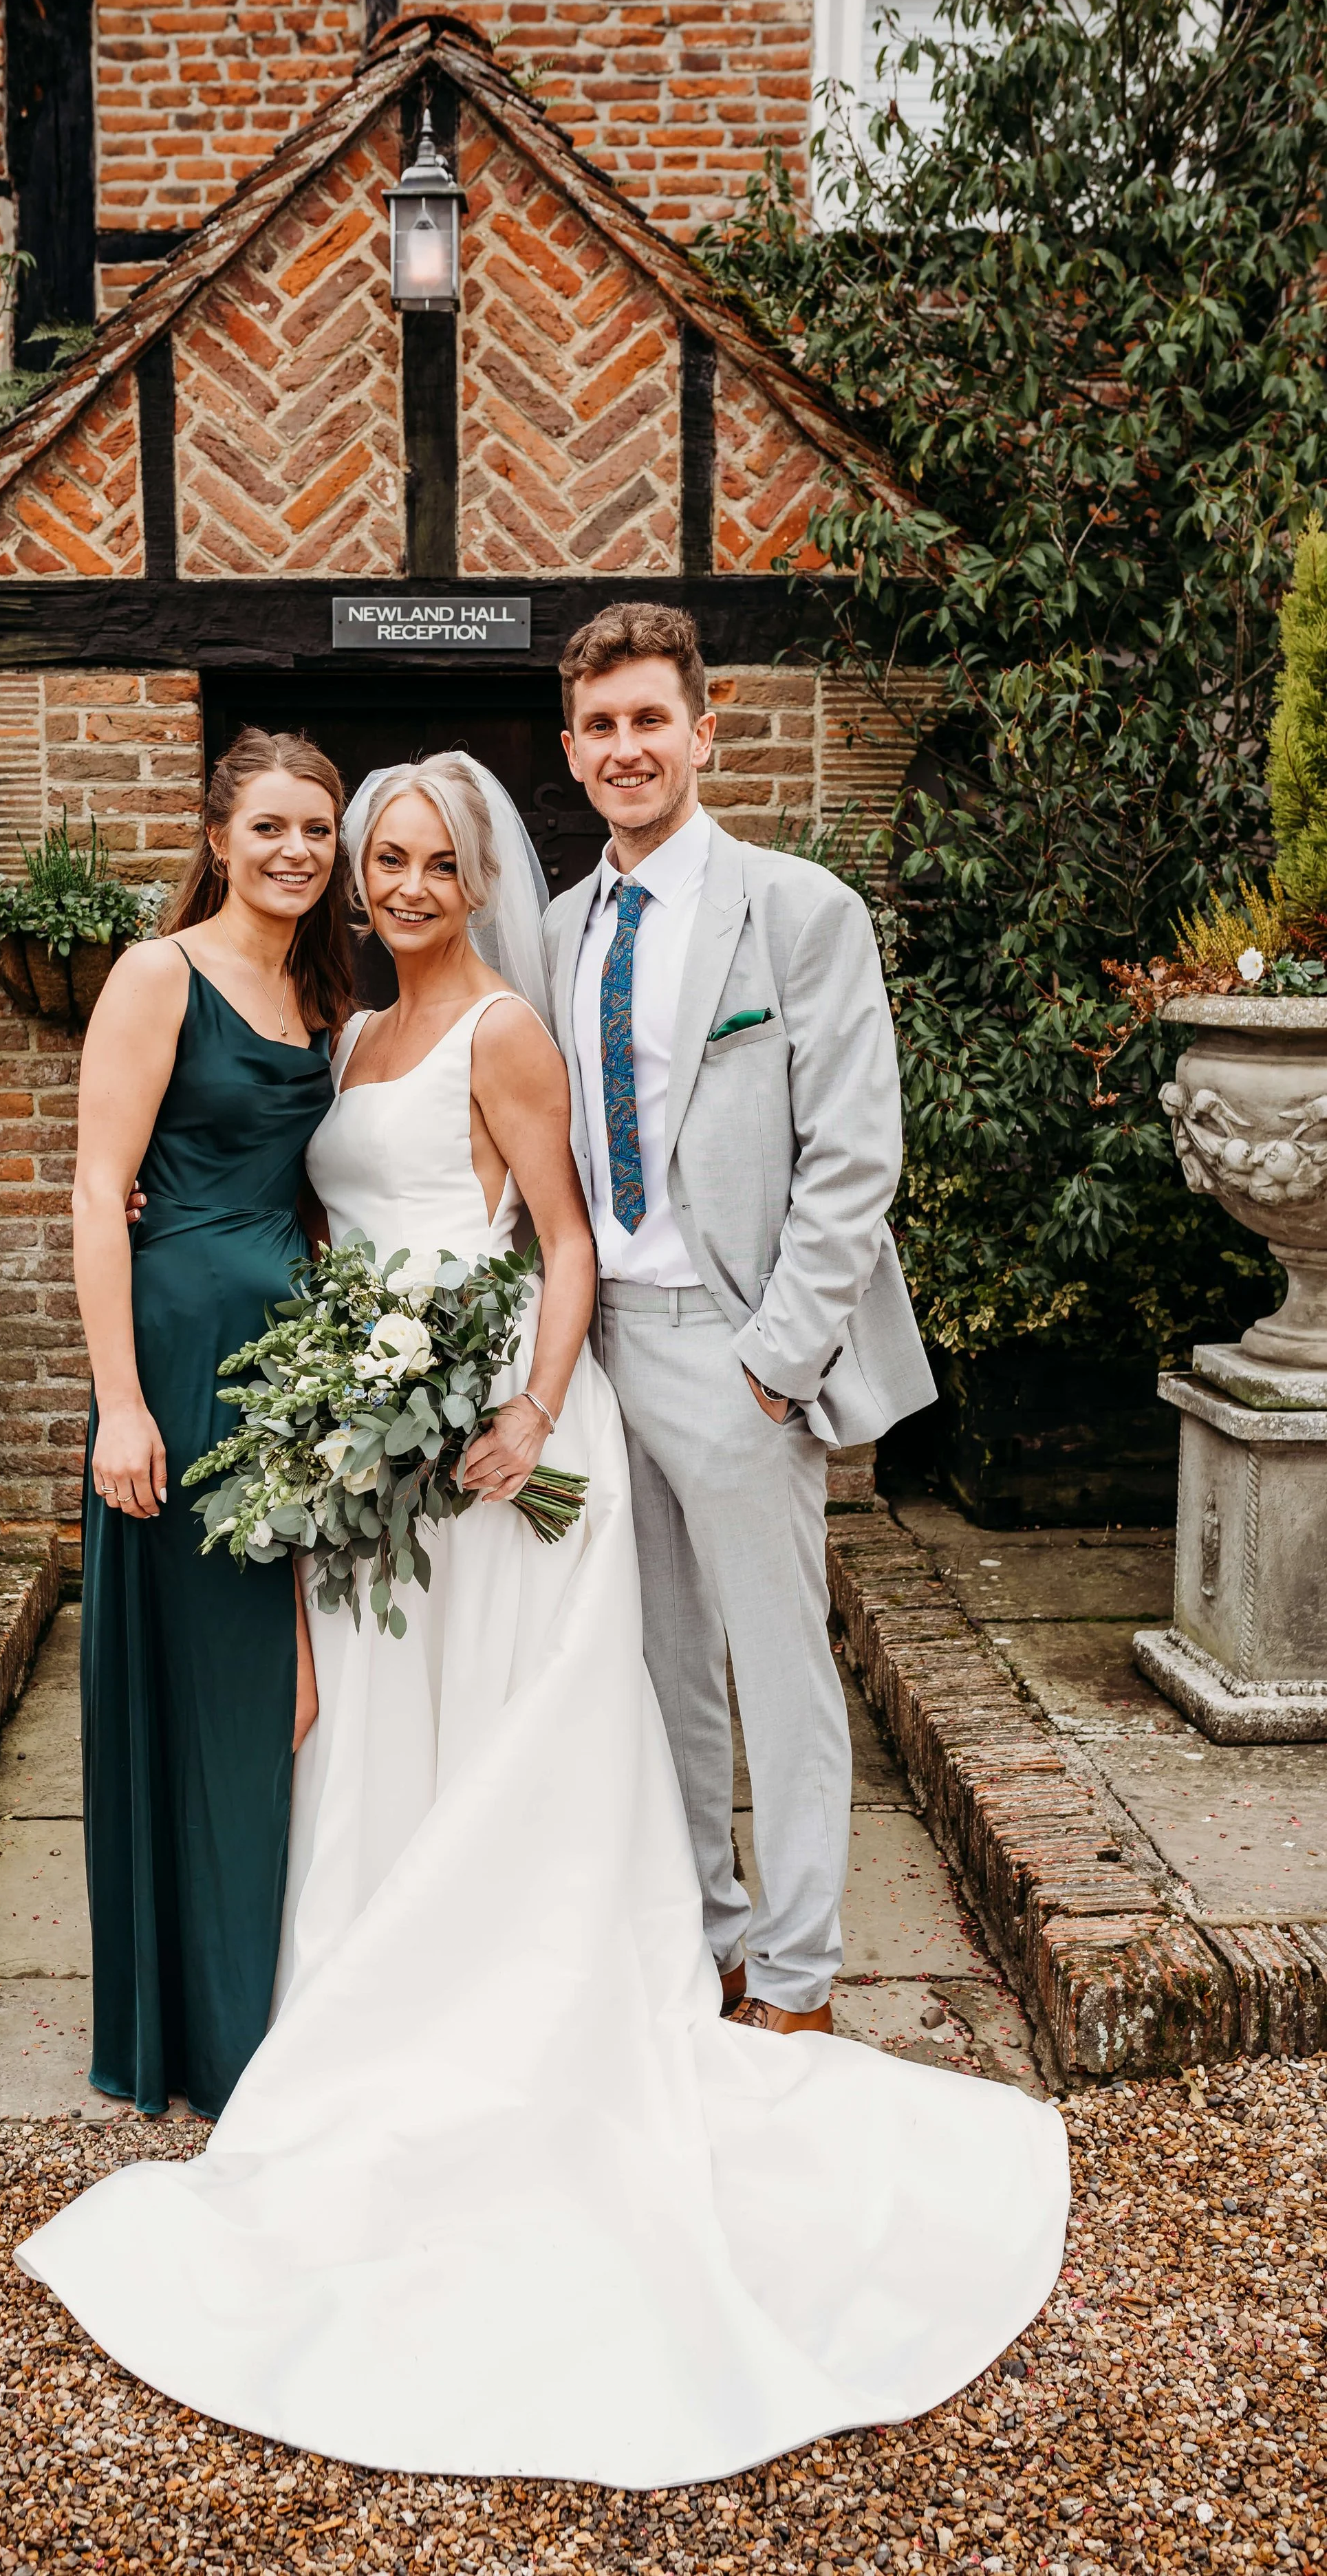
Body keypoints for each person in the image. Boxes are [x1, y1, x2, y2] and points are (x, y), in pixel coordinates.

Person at [21, 748, 1068, 2489]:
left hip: (493, 1433)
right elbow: (286, 1193)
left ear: (473, 869)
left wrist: (518, 1406)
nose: (400, 884)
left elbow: (560, 1239)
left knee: (529, 1719)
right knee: (365, 1717)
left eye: (425, 859)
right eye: (379, 860)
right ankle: (346, 1989)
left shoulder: (507, 1024)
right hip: (358, 1426)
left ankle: (636, 1986)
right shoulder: (339, 1025)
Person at [546, 599, 938, 2032]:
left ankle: (796, 1978)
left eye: (651, 719)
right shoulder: (556, 929)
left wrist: (776, 1365)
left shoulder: (796, 910)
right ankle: (705, 1942)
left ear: (702, 732)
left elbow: (853, 1153)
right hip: (601, 1356)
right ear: (570, 747)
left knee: (778, 1676)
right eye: (600, 725)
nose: (626, 747)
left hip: (733, 1349)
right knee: (660, 1671)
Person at [70, 725, 353, 2122]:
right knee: (206, 1683)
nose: (296, 851)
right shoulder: (154, 975)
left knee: (277, 1689)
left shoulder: (318, 983)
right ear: (215, 835)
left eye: (317, 829)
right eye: (271, 829)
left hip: (286, 1359)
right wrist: (117, 1404)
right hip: (178, 1361)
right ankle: (198, 2037)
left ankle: (264, 2000)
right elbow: (91, 1192)